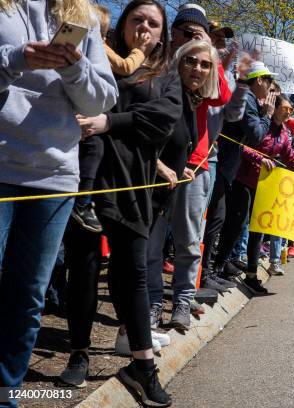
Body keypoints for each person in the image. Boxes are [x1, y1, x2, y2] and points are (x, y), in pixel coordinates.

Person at [59, 1, 180, 405]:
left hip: (131, 180)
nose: (144, 28)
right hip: (86, 174)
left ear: (163, 33)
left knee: (131, 274)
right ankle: (78, 352)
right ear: (122, 24)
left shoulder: (165, 73)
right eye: (136, 19)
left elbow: (162, 117)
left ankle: (142, 365)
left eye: (153, 23)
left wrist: (110, 121)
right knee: (84, 267)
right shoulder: (99, 52)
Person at [0, 0, 118, 398]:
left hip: (53, 179)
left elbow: (101, 101)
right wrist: (18, 58)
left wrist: (73, 67)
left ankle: (6, 393)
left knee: (27, 297)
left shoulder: (82, 17)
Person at [147, 39, 234, 331]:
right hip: (157, 172)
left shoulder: (207, 97)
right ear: (178, 61)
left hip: (195, 171)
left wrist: (219, 59)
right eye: (191, 61)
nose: (197, 68)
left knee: (188, 241)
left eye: (205, 65)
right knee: (153, 245)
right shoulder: (163, 87)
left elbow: (224, 96)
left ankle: (182, 301)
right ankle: (153, 304)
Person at [219, 95, 294, 281]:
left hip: (264, 187)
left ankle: (251, 274)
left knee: (258, 231)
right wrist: (261, 158)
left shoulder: (283, 135)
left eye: (291, 110)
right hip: (242, 180)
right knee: (237, 225)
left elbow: (292, 162)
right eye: (285, 108)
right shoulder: (262, 125)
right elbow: (241, 146)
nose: (289, 112)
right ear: (276, 107)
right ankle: (220, 265)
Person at [70, 4, 151, 234]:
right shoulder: (98, 46)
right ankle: (82, 202)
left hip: (89, 108)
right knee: (94, 149)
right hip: (82, 112)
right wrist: (141, 50)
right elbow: (126, 67)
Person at [200, 60, 278, 293]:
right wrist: (267, 116)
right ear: (260, 80)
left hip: (227, 167)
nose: (271, 88)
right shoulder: (247, 99)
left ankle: (215, 269)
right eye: (270, 81)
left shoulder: (251, 99)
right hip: (222, 165)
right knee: (217, 221)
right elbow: (256, 135)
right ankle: (206, 273)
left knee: (227, 221)